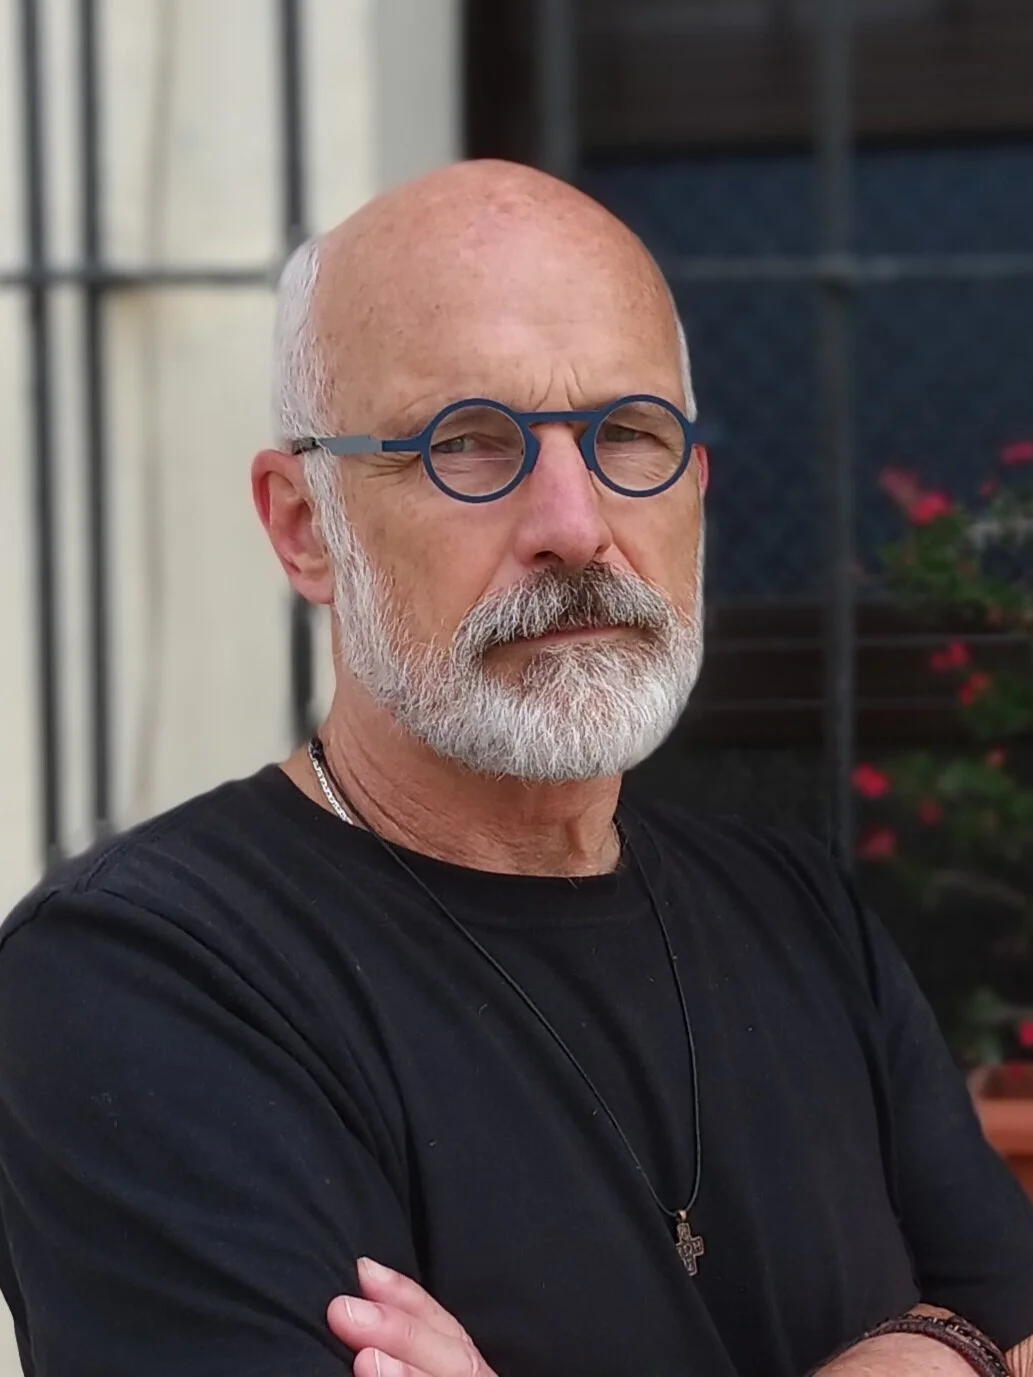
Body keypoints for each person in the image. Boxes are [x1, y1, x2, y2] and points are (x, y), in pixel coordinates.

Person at [1, 159, 1031, 1377]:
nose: (575, 526)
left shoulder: (798, 915)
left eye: (627, 435)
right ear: (303, 525)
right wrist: (935, 1350)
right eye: (469, 445)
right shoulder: (136, 978)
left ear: (696, 486)